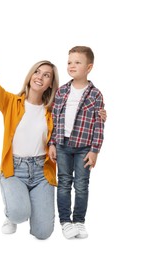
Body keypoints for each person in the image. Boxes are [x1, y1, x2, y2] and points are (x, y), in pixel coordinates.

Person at [0, 38, 59, 240]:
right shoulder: (10, 102)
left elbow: (72, 118)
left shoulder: (53, 111)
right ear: (30, 76)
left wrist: (99, 113)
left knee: (43, 233)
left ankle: (28, 205)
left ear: (50, 83)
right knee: (18, 214)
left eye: (46, 75)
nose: (40, 77)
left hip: (42, 172)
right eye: (37, 72)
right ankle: (12, 213)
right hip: (14, 169)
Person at [48, 46, 105, 239]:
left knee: (82, 185)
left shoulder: (95, 95)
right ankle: (65, 221)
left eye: (77, 62)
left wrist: (95, 150)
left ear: (89, 67)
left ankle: (79, 221)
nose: (72, 65)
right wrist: (52, 143)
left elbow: (99, 124)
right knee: (64, 183)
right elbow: (54, 120)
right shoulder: (62, 91)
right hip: (63, 146)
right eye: (69, 62)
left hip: (84, 148)